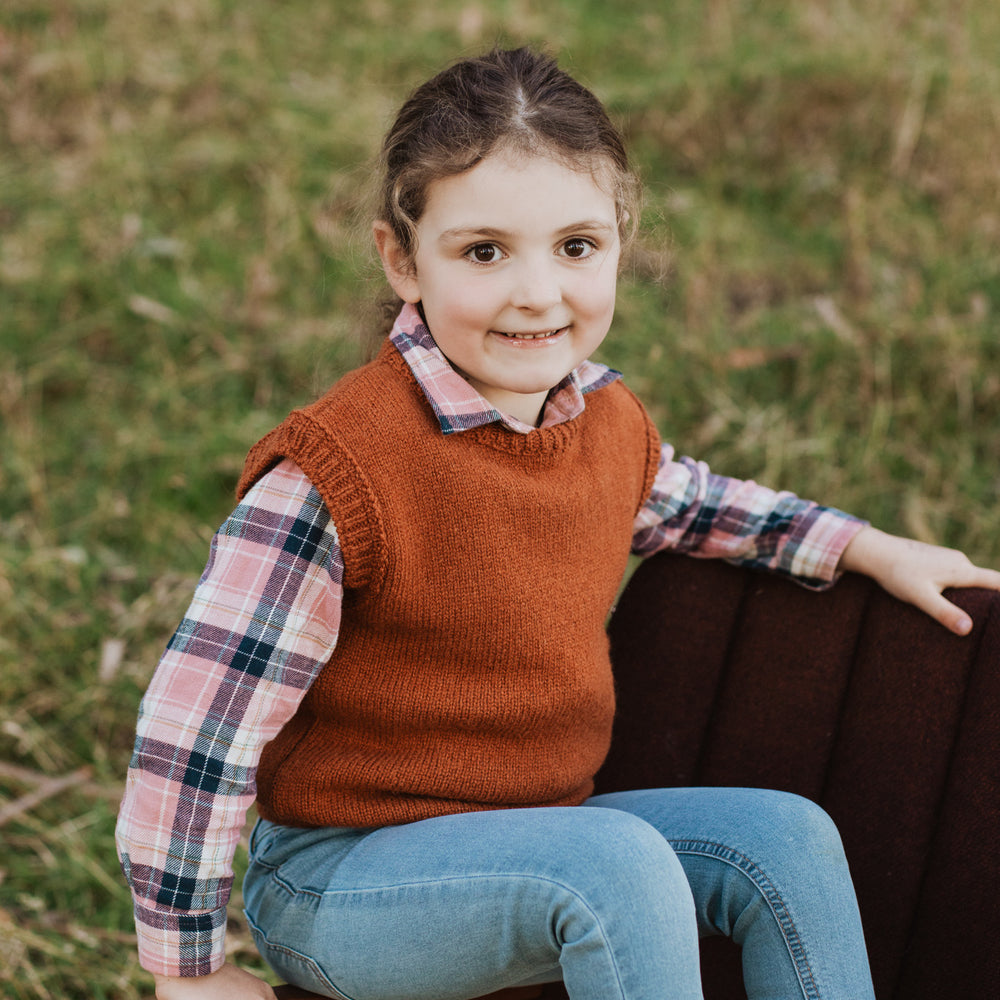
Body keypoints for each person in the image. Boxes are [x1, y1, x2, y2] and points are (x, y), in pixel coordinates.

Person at [115, 48, 1000, 1000]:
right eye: (484, 251)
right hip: (346, 880)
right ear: (401, 258)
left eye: (576, 247)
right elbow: (195, 735)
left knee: (784, 840)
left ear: (620, 242)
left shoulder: (601, 421)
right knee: (617, 867)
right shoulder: (336, 476)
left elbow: (698, 504)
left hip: (542, 836)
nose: (538, 292)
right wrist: (188, 972)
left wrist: (868, 547)